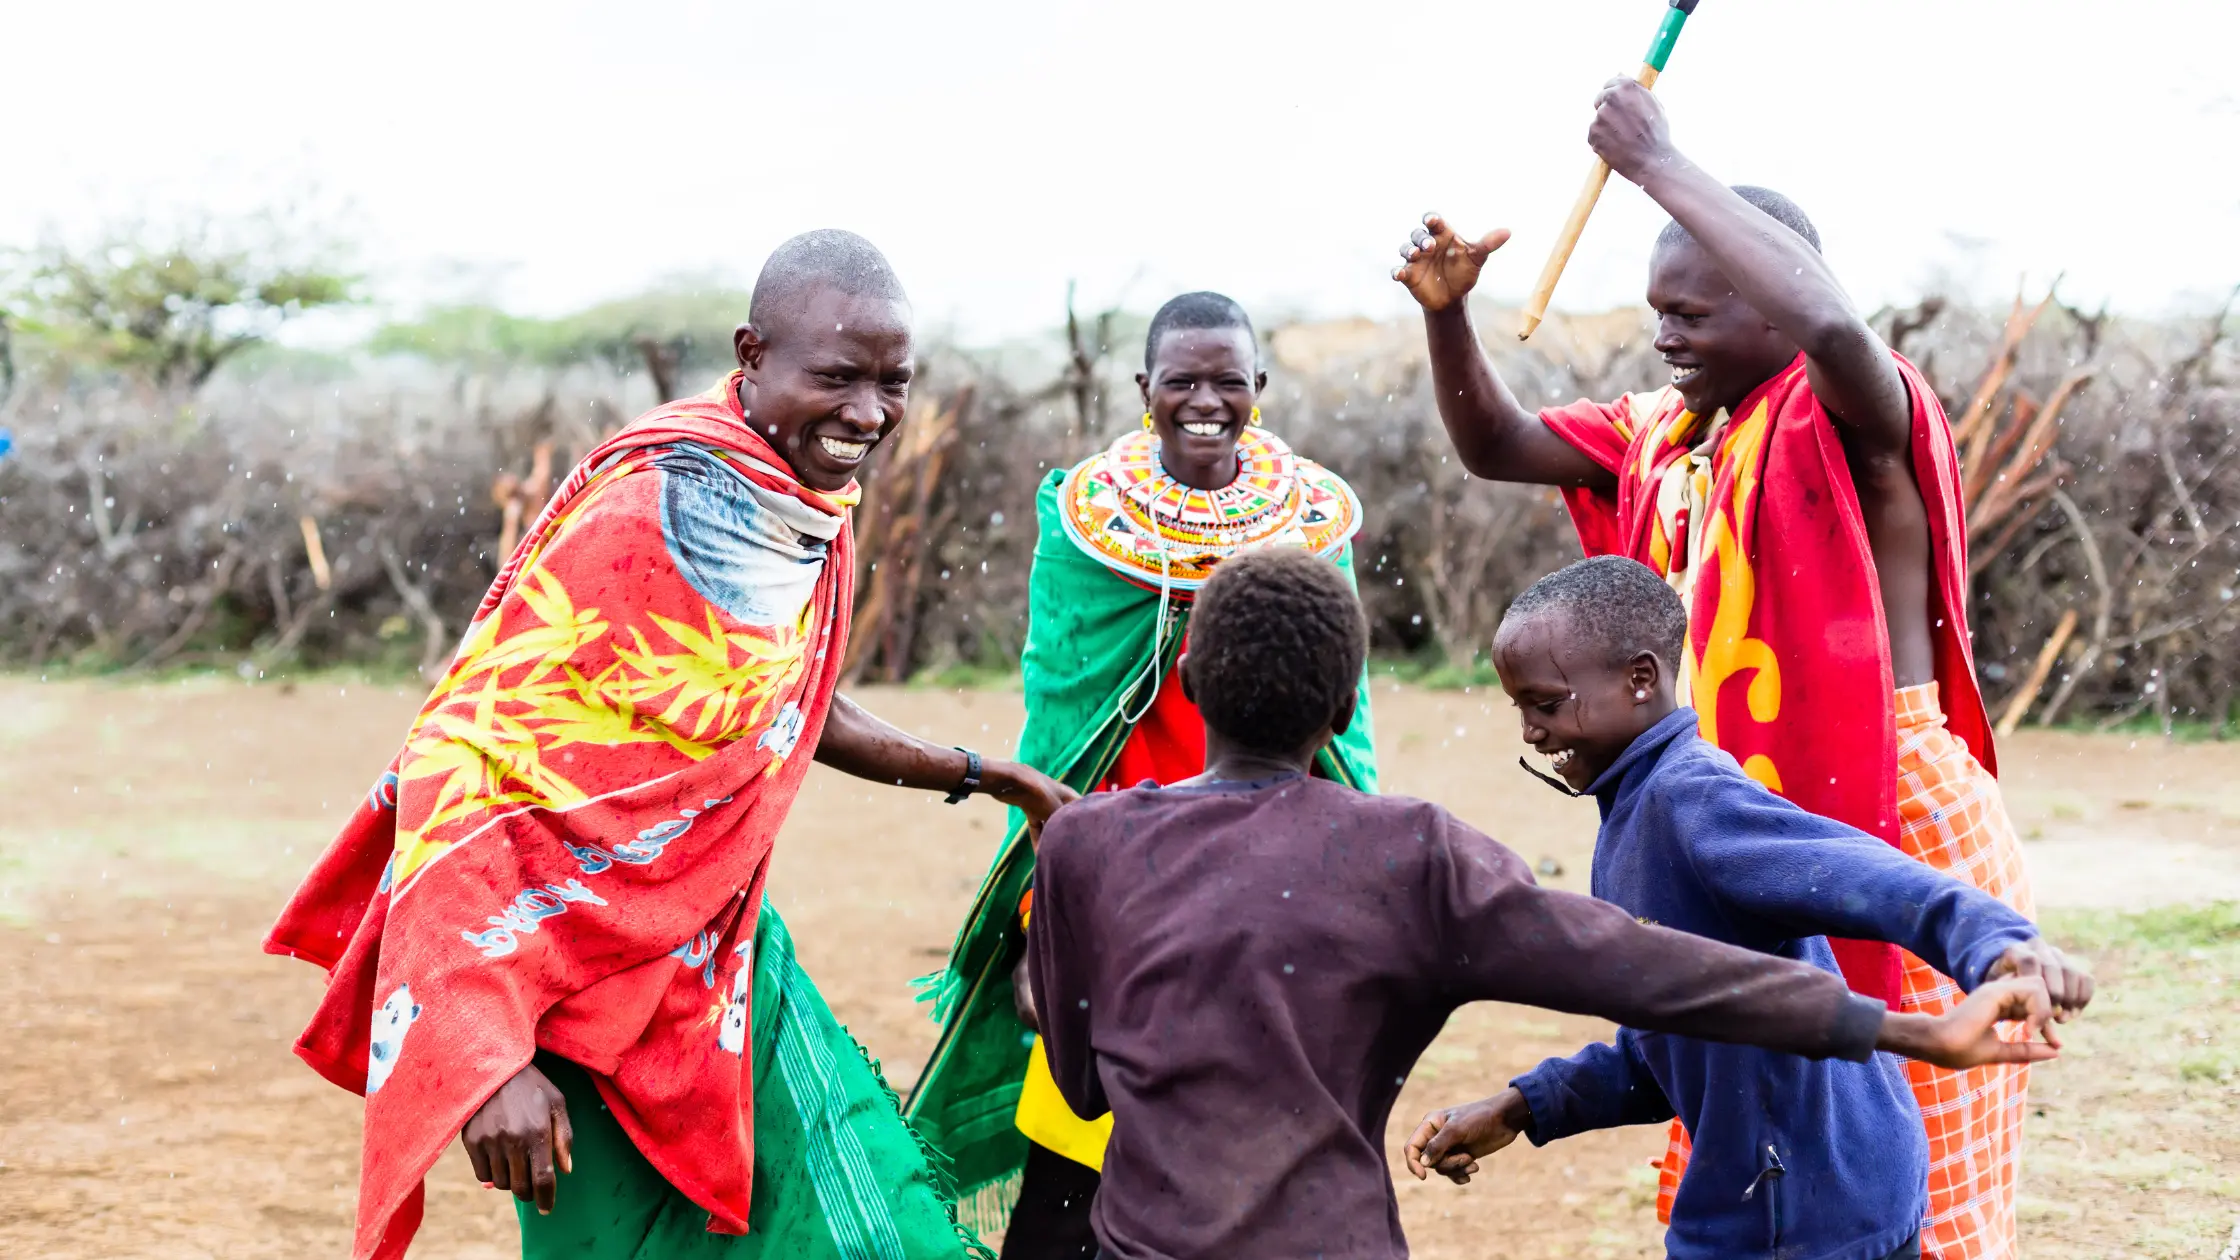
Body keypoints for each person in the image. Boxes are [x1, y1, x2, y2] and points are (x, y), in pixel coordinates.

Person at [264, 230, 1073, 1260]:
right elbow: (467, 763)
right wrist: (484, 1056)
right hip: (567, 988)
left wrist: (985, 773)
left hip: (717, 961)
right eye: (837, 378)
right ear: (750, 354)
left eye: (892, 384)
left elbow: (794, 702)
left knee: (859, 1219)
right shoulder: (648, 510)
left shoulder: (794, 507)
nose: (867, 415)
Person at [1392, 78, 2038, 1257]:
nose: (1665, 334)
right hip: (1724, 814)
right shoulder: (1663, 434)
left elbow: (1835, 328)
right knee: (1748, 1109)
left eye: (1694, 310)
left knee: (1917, 1173)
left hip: (1887, 799)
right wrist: (1447, 315)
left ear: (1778, 300)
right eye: (1657, 310)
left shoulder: (1850, 412)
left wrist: (1656, 163)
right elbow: (1494, 445)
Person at [1028, 549, 2063, 1260]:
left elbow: (1082, 1086)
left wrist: (1963, 975)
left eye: (1542, 704)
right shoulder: (1408, 855)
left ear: (1190, 685)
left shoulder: (1086, 844)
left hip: (1144, 1241)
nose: (1532, 732)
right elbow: (1648, 974)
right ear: (1345, 708)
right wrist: (1901, 1029)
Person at [1404, 557, 2092, 1260]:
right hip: (1809, 1187)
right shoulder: (1632, 817)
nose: (1531, 732)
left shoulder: (1693, 803)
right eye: (1521, 709)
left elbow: (1877, 880)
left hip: (1803, 1208)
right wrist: (1523, 1107)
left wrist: (2000, 944)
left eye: (1546, 704)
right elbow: (1670, 1045)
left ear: (1641, 679)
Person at [903, 292, 1376, 1256]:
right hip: (1120, 880)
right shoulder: (1085, 524)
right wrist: (1049, 916)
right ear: (1143, 390)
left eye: (1229, 381)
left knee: (1249, 1160)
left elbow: (1344, 718)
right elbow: (1061, 730)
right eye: (1183, 381)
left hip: (1268, 880)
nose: (1206, 401)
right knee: (1074, 1176)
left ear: (1261, 390)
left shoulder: (1312, 522)